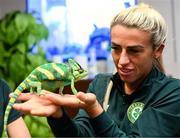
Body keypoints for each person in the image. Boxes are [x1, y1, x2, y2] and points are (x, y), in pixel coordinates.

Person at [12, 3, 180, 137]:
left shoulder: (172, 94)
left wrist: (95, 110)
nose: (121, 61)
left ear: (157, 50)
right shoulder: (101, 85)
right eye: (115, 48)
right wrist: (58, 116)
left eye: (134, 51)